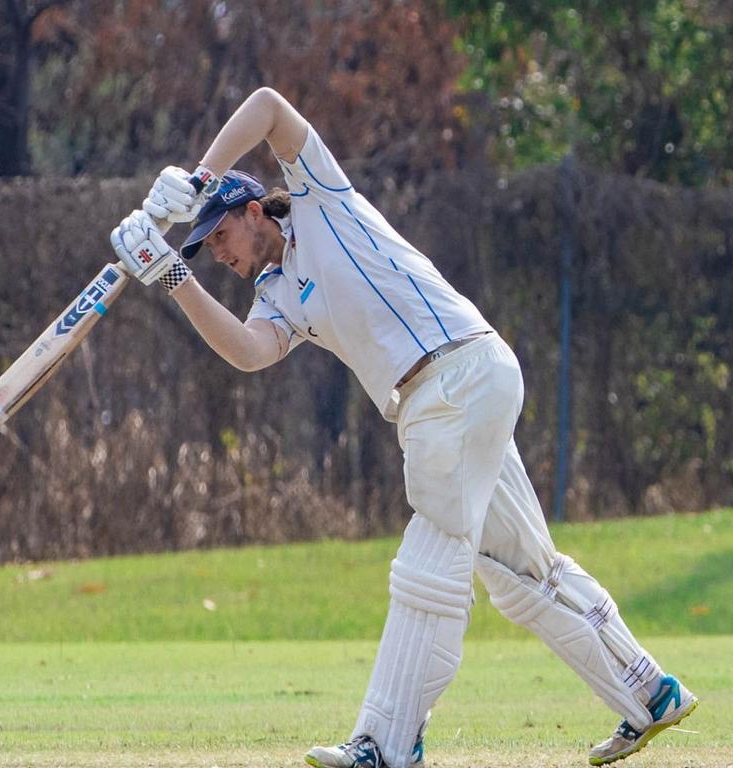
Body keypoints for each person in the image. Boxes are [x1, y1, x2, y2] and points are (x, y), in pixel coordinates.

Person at [109, 87, 697, 768]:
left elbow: (269, 107)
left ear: (250, 211)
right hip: (450, 397)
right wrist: (175, 277)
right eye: (204, 248)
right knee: (520, 572)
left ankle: (385, 744)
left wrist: (195, 178)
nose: (218, 253)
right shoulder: (275, 295)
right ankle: (650, 691)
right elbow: (248, 352)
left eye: (218, 236)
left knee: (428, 565)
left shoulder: (320, 198)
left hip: (456, 378)